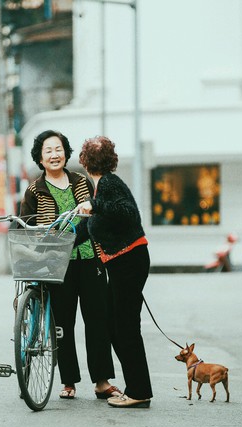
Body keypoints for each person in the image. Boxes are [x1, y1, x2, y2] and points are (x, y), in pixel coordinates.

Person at [19, 129, 120, 400]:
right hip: (56, 264)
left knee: (98, 320)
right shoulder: (34, 190)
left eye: (59, 149)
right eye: (48, 151)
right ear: (40, 158)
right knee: (62, 324)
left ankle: (101, 381)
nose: (55, 155)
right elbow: (26, 227)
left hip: (89, 257)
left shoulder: (82, 181)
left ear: (66, 153)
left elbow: (96, 213)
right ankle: (68, 381)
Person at [75, 135, 153, 409]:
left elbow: (128, 212)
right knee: (113, 324)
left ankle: (139, 391)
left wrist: (95, 206)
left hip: (129, 261)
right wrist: (60, 239)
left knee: (125, 327)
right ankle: (137, 387)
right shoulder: (98, 188)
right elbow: (90, 227)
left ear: (84, 162)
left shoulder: (108, 184)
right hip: (124, 262)